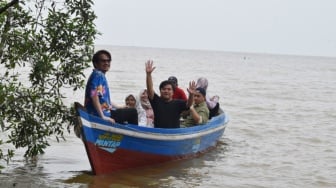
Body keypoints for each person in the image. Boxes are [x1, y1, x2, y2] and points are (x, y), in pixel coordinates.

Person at [84, 49, 138, 125]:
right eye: (103, 61)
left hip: (102, 112)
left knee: (125, 112)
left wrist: (119, 107)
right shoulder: (98, 75)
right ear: (95, 63)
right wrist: (102, 116)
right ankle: (134, 134)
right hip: (100, 114)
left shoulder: (96, 74)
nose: (106, 63)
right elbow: (94, 95)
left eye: (108, 61)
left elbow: (102, 99)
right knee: (133, 112)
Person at [146, 60, 196, 128]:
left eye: (169, 89)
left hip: (174, 134)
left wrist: (191, 95)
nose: (166, 91)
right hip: (158, 132)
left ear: (173, 92)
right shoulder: (156, 101)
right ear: (160, 91)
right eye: (164, 89)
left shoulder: (177, 103)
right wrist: (148, 75)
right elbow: (150, 90)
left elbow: (189, 104)